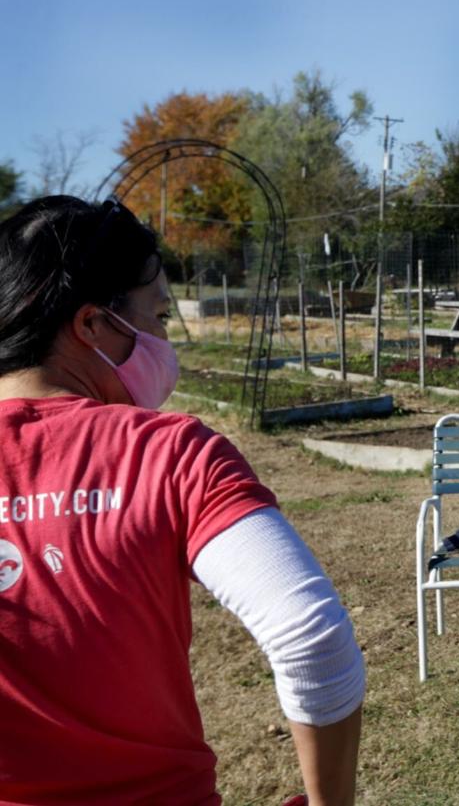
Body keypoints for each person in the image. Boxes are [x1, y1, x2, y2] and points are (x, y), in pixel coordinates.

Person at [0, 196, 364, 806]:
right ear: (91, 326)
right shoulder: (170, 454)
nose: (167, 341)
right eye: (160, 317)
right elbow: (312, 638)